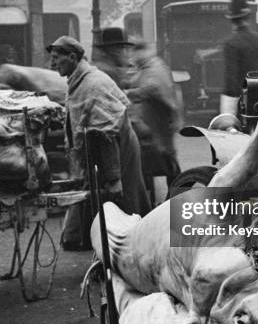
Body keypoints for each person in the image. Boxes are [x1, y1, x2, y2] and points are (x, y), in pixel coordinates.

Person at [47, 35, 151, 250]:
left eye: (57, 58)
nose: (52, 63)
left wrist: (114, 177)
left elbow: (105, 133)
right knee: (104, 199)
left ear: (73, 57)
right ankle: (89, 240)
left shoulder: (92, 83)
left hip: (116, 149)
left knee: (124, 196)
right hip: (101, 150)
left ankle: (136, 249)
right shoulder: (79, 80)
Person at [125, 40, 182, 192]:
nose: (133, 58)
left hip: (159, 122)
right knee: (156, 160)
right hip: (154, 122)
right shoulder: (147, 67)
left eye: (135, 53)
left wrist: (128, 94)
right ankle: (169, 193)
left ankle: (178, 193)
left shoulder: (155, 68)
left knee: (165, 158)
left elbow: (153, 88)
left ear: (143, 53)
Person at [220, 0, 258, 115]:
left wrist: (228, 117)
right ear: (247, 17)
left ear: (232, 20)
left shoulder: (231, 44)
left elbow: (231, 83)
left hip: (243, 106)